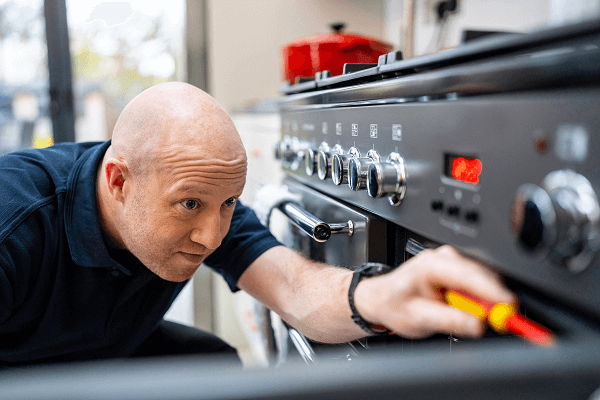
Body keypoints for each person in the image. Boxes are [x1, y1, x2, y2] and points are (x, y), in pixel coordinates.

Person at [0, 82, 515, 366]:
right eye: (189, 206)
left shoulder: (204, 195)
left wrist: (383, 297)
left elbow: (291, 286)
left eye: (228, 203)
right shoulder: (15, 223)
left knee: (213, 364)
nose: (212, 235)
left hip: (100, 349)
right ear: (118, 182)